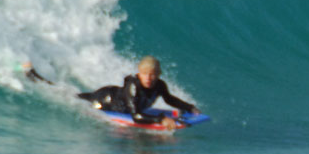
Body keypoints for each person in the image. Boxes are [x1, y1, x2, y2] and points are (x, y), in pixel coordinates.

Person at [24, 56, 200, 130]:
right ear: (139, 74)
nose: (149, 78)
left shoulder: (159, 85)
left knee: (74, 94)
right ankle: (33, 76)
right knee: (69, 95)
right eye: (145, 74)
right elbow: (136, 116)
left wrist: (189, 107)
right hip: (105, 100)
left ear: (158, 75)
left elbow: (169, 99)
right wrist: (162, 119)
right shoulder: (134, 87)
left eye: (153, 74)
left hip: (113, 95)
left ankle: (35, 76)